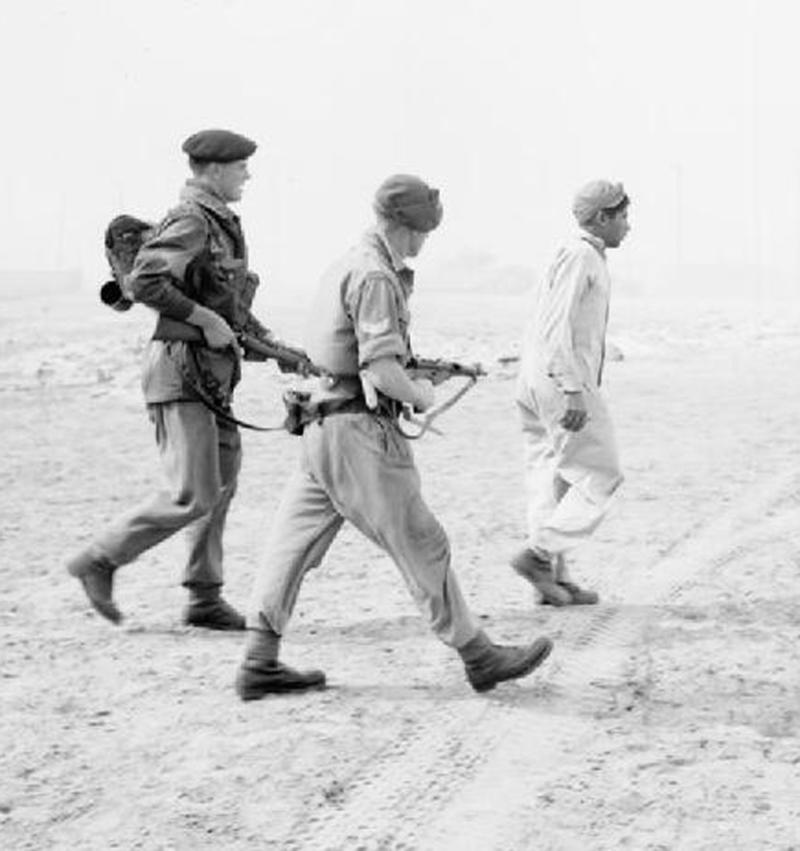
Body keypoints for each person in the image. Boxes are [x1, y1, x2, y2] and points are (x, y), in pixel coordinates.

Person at [235, 174, 554, 699]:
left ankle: (258, 659)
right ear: (408, 228)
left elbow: (348, 356)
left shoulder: (344, 263)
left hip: (320, 428)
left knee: (290, 545)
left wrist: (421, 372)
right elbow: (382, 371)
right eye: (423, 232)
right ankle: (478, 655)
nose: (423, 244)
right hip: (359, 435)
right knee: (422, 541)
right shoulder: (376, 275)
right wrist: (421, 393)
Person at [67, 128, 278, 631]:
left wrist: (277, 347)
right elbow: (144, 282)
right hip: (181, 370)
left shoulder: (219, 224)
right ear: (213, 170)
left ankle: (204, 596)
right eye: (240, 167)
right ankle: (98, 559)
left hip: (211, 376)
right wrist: (204, 320)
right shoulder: (192, 219)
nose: (247, 175)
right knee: (193, 493)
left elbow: (226, 305)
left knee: (220, 485)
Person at [511, 179, 631, 606]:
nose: (628, 227)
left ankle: (553, 577)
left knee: (553, 475)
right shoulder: (582, 255)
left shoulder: (569, 253)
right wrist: (572, 389)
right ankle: (540, 555)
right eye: (622, 217)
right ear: (602, 218)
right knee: (601, 473)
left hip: (534, 379)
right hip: (560, 382)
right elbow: (555, 327)